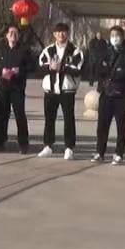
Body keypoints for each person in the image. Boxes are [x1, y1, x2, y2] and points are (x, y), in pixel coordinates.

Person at [38, 23, 84, 159]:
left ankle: (69, 148)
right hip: (50, 91)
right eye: (58, 32)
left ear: (67, 34)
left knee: (68, 119)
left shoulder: (75, 51)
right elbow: (40, 67)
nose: (61, 35)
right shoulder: (48, 50)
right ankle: (48, 145)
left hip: (67, 90)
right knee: (49, 118)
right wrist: (50, 67)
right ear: (54, 34)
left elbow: (78, 69)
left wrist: (62, 68)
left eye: (63, 32)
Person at [93, 26, 125, 164]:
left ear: (122, 37)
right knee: (102, 126)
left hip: (121, 94)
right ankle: (100, 152)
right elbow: (99, 69)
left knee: (121, 126)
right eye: (112, 35)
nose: (115, 38)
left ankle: (119, 153)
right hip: (106, 93)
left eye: (117, 35)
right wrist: (111, 71)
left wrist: (111, 73)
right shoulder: (105, 51)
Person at [0, 25, 37, 153]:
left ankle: (23, 143)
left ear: (19, 36)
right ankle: (1, 141)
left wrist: (19, 70)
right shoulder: (0, 49)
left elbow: (32, 67)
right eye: (10, 32)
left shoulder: (24, 50)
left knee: (20, 115)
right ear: (6, 35)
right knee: (2, 115)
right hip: (3, 87)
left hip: (17, 87)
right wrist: (1, 70)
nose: (13, 35)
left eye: (16, 33)